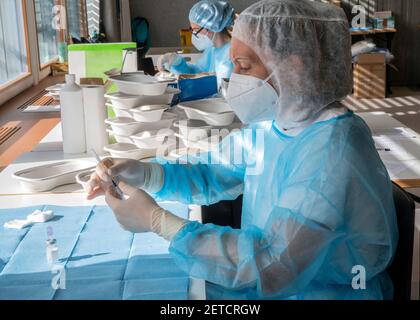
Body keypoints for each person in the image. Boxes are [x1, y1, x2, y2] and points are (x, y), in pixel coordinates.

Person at [87, 0, 398, 300]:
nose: (233, 79)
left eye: (244, 66)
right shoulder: (276, 124)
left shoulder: (331, 151)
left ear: (292, 65)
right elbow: (211, 172)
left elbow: (275, 264)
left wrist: (159, 222)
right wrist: (145, 173)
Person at [157, 0, 235, 86]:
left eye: (196, 30)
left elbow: (219, 84)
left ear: (212, 27)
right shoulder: (212, 49)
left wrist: (182, 77)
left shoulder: (232, 53)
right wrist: (177, 62)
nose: (194, 34)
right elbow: (198, 70)